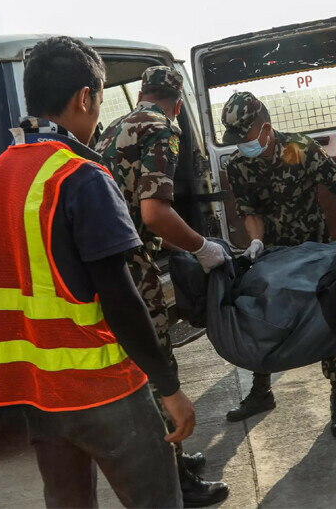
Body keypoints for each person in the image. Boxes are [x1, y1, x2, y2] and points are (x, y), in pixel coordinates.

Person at [0, 37, 195, 508]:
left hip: (38, 395)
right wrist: (169, 388)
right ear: (84, 98)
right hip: (104, 389)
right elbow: (119, 296)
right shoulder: (80, 175)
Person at [95, 65, 230, 507]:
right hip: (133, 266)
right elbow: (154, 214)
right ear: (175, 102)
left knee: (143, 367)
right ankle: (176, 486)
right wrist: (202, 247)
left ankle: (176, 460)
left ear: (141, 94)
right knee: (157, 372)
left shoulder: (112, 128)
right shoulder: (162, 129)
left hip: (106, 264)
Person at [219, 91, 336, 436]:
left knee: (329, 319)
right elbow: (249, 212)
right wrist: (255, 241)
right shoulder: (238, 165)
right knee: (262, 320)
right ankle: (261, 392)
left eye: (244, 138)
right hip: (273, 257)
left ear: (265, 130)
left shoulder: (299, 148)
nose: (241, 146)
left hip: (314, 251)